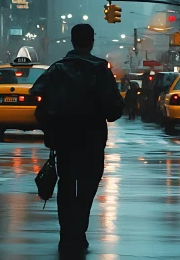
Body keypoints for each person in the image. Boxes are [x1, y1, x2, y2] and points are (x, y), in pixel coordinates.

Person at [31, 23, 124, 253]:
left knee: (66, 184)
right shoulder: (101, 70)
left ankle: (67, 234)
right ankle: (79, 231)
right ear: (91, 41)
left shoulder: (57, 69)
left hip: (64, 140)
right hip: (92, 140)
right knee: (87, 187)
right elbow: (114, 111)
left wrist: (50, 129)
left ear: (72, 41)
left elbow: (38, 98)